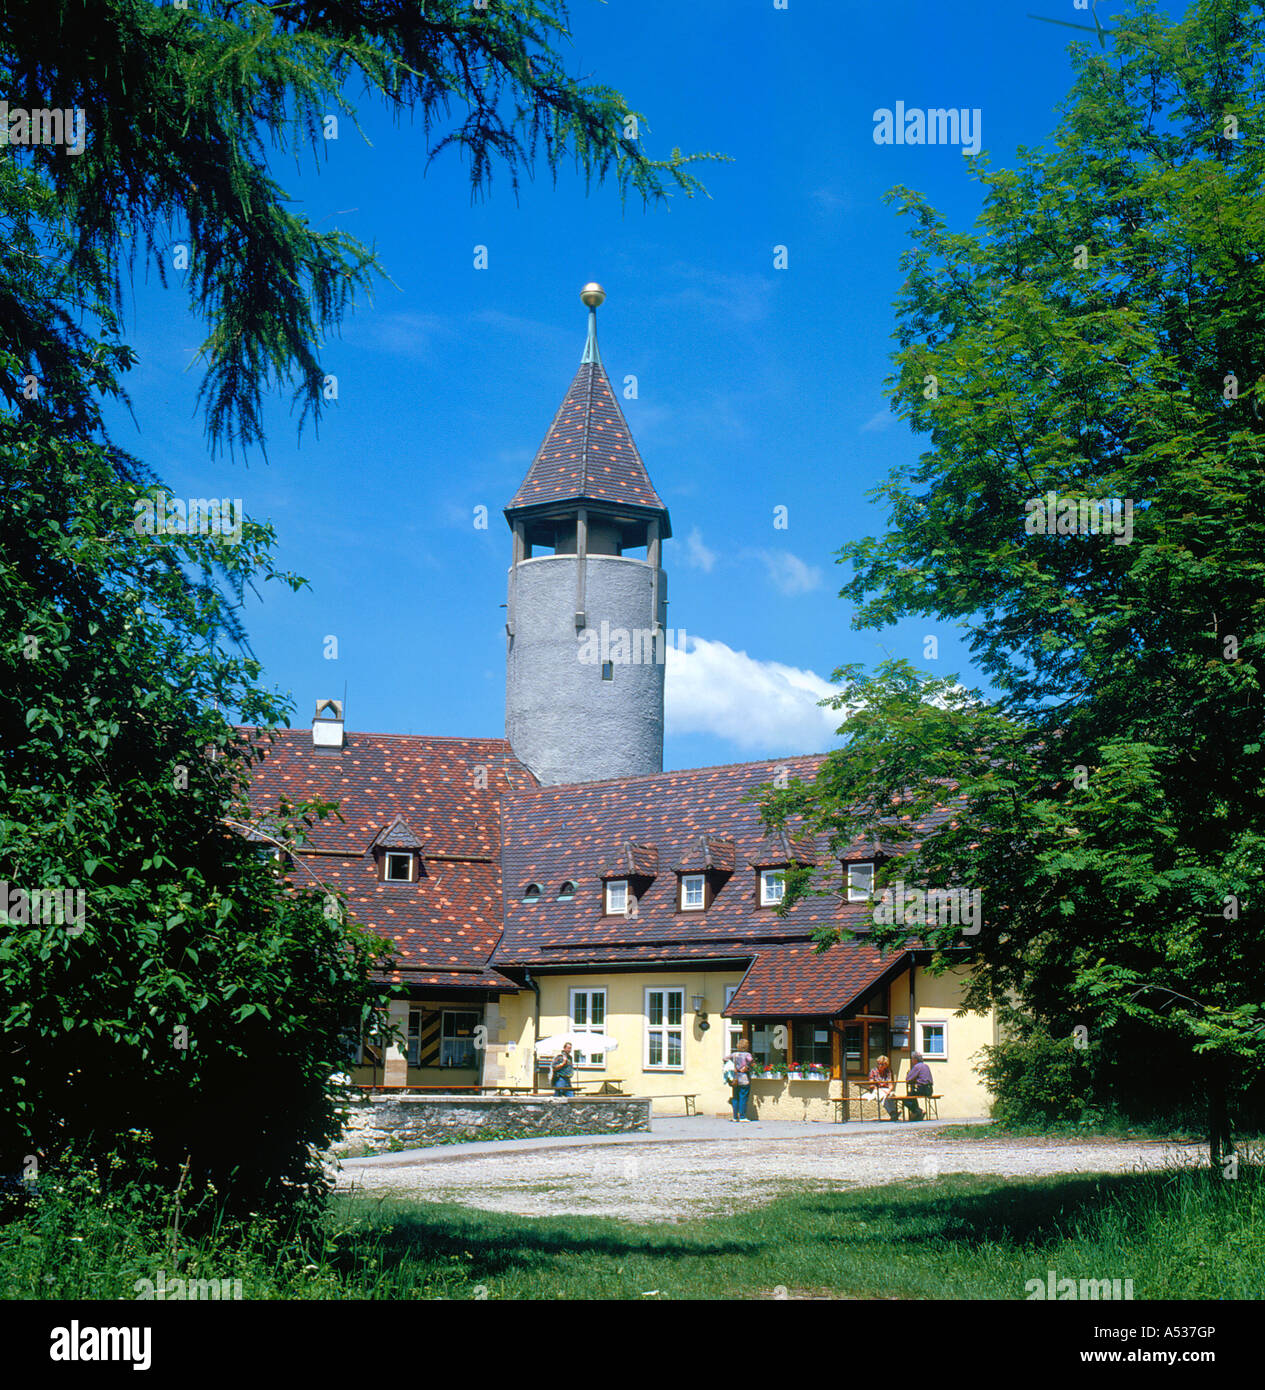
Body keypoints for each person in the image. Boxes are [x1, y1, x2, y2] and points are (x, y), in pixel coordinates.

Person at [723, 1036, 754, 1122]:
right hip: (744, 1078)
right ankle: (743, 1116)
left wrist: (733, 1066)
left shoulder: (734, 1054)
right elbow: (750, 1060)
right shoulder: (747, 1054)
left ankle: (735, 1116)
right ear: (746, 1046)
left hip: (735, 1078)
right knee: (743, 1097)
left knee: (735, 1097)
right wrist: (747, 1065)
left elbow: (724, 1058)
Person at [868, 1054, 900, 1121]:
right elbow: (871, 1084)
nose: (880, 1066)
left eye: (882, 1064)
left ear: (886, 1065)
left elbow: (890, 1084)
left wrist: (889, 1090)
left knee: (889, 1095)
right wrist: (880, 1089)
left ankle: (893, 1113)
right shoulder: (873, 1071)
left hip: (886, 1089)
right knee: (884, 1096)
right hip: (876, 1089)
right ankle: (893, 1112)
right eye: (879, 1064)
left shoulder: (888, 1071)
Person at [905, 1051, 934, 1120]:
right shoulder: (926, 1066)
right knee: (911, 1095)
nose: (912, 1061)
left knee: (906, 1099)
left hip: (922, 1089)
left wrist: (909, 1075)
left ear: (915, 1059)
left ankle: (918, 1111)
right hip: (929, 1090)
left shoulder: (917, 1066)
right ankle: (917, 1113)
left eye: (912, 1059)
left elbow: (908, 1079)